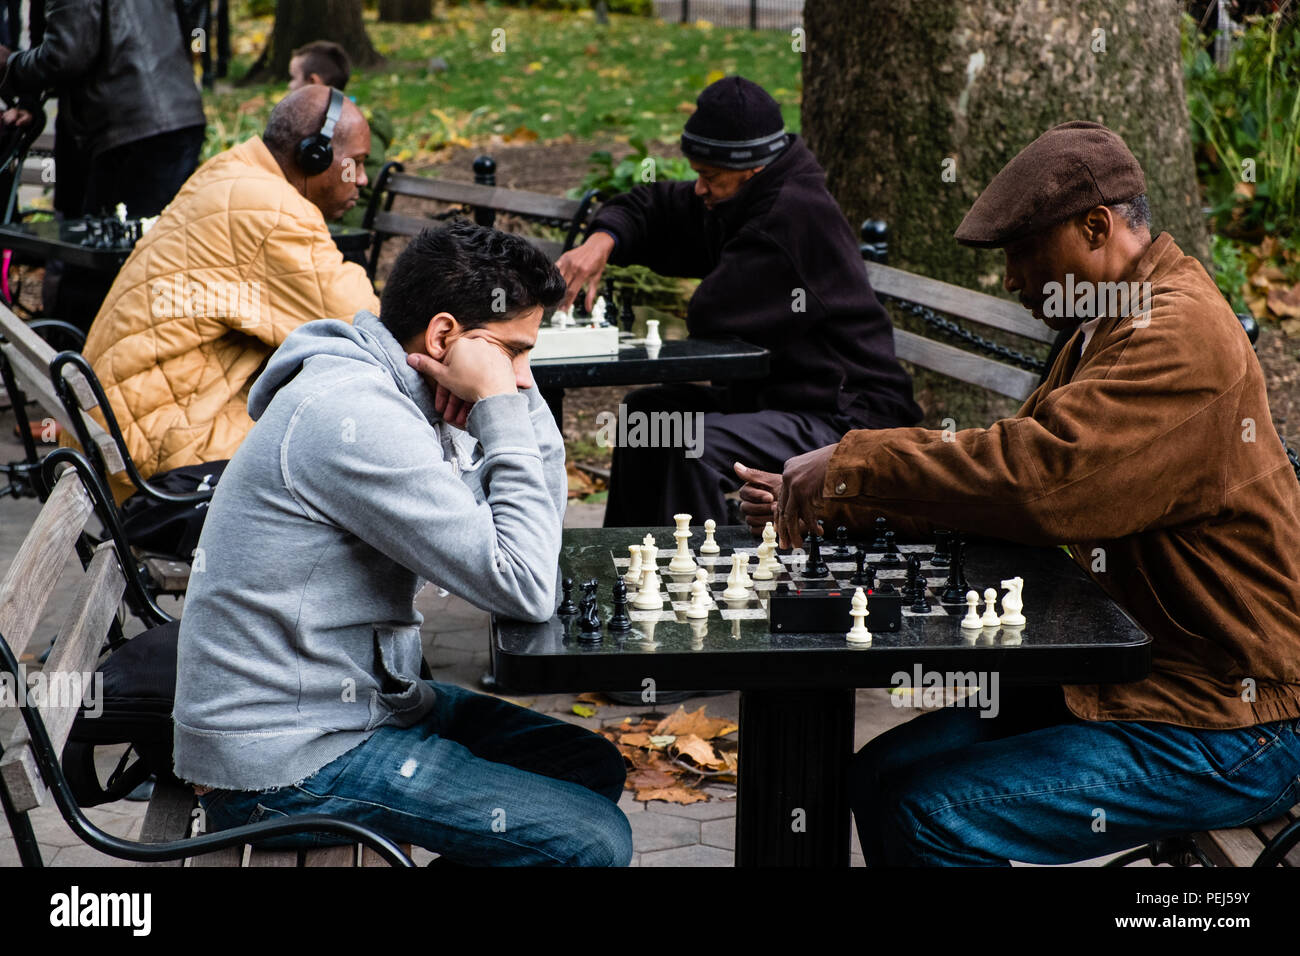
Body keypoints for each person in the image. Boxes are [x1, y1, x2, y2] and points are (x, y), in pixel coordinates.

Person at [737, 121, 1300, 866]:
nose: (1011, 280)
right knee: (877, 777)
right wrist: (838, 493)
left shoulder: (1178, 333)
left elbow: (1043, 484)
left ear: (1096, 227)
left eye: (1024, 252)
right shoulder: (1110, 317)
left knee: (926, 814)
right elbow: (1005, 480)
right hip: (1148, 679)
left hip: (1232, 721)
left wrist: (852, 468)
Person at [173, 219, 633, 866]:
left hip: (365, 705)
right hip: (283, 762)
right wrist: (501, 406)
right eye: (514, 352)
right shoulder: (353, 416)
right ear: (445, 335)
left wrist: (511, 401)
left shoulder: (389, 389)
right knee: (590, 842)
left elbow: (530, 549)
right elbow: (526, 588)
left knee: (587, 765)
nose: (525, 379)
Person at [556, 76, 921, 528]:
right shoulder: (742, 195)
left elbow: (711, 314)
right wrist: (603, 240)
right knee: (646, 417)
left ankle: (700, 586)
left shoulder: (790, 216)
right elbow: (653, 205)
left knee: (692, 445)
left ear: (753, 169)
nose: (699, 189)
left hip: (846, 416)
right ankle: (623, 569)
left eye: (709, 176)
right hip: (778, 401)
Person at [72, 85, 378, 505]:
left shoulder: (229, 173)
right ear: (315, 155)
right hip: (161, 454)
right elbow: (365, 328)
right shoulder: (271, 212)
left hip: (117, 432)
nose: (361, 180)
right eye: (357, 163)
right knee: (358, 447)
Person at [0, 0, 208, 326]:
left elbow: (66, 54)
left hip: (131, 126)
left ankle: (74, 360)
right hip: (169, 112)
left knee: (100, 266)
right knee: (146, 257)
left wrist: (10, 65)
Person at [288, 38, 392, 230]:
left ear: (313, 82)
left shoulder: (353, 131)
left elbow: (350, 187)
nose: (290, 86)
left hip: (343, 229)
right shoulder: (312, 126)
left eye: (293, 78)